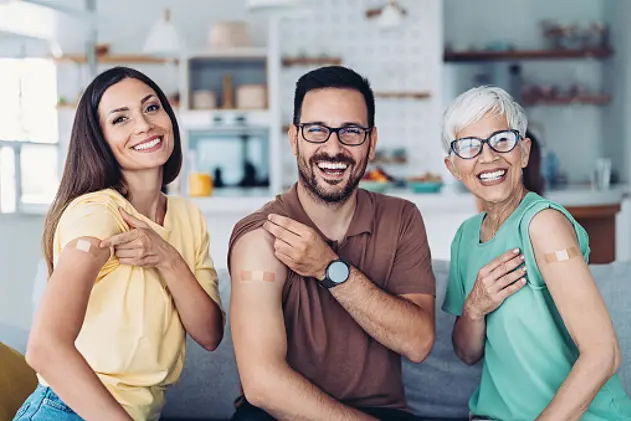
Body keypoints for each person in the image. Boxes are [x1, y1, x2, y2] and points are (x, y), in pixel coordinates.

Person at [15, 67, 224, 421]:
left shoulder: (188, 217)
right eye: (120, 119)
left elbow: (209, 334)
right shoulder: (96, 215)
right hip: (69, 410)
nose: (143, 125)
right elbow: (45, 349)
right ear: (100, 140)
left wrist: (168, 258)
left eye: (152, 108)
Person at [228, 66, 436, 421]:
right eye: (316, 131)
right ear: (294, 138)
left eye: (351, 132)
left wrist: (329, 269)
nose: (333, 148)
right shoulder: (259, 236)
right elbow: (262, 383)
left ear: (371, 142)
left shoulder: (402, 219)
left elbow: (417, 343)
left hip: (382, 410)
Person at [441, 85, 631, 420]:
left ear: (524, 152)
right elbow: (467, 353)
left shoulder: (543, 224)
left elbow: (604, 353)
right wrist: (474, 307)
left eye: (501, 140)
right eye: (469, 147)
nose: (488, 157)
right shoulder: (465, 237)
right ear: (453, 166)